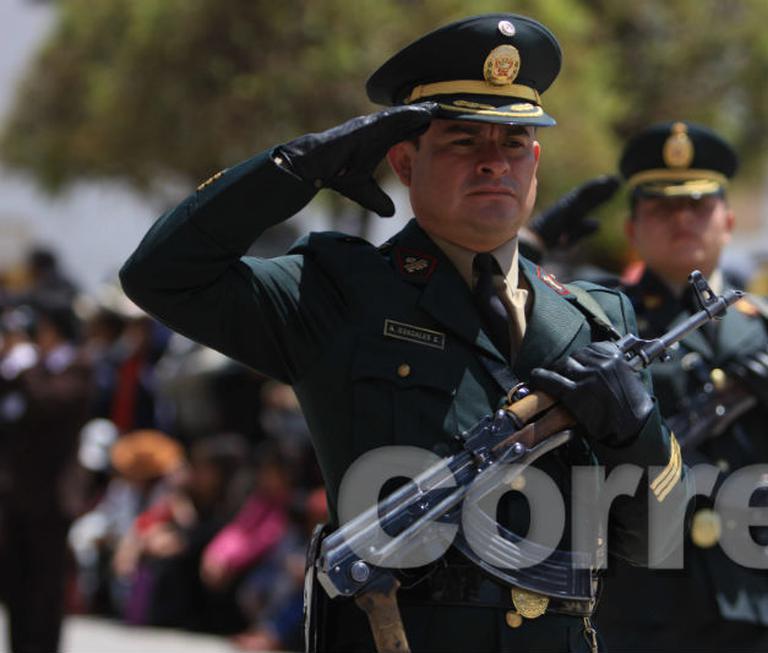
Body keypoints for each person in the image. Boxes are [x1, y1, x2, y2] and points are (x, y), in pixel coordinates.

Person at [120, 14, 682, 652]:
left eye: (514, 142)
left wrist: (639, 434)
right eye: (463, 142)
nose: (494, 163)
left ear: (536, 161)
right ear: (403, 161)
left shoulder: (595, 319)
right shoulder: (338, 288)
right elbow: (161, 276)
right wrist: (294, 168)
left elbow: (655, 540)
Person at [578, 121, 768, 652]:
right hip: (641, 596)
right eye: (660, 208)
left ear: (728, 221)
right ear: (632, 229)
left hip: (759, 596)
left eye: (699, 206)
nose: (682, 219)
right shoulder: (600, 322)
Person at [0, 299, 93, 653]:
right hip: (18, 491)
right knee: (16, 580)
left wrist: (24, 368)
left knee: (46, 584)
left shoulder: (78, 365)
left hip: (54, 494)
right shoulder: (32, 367)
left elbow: (48, 402)